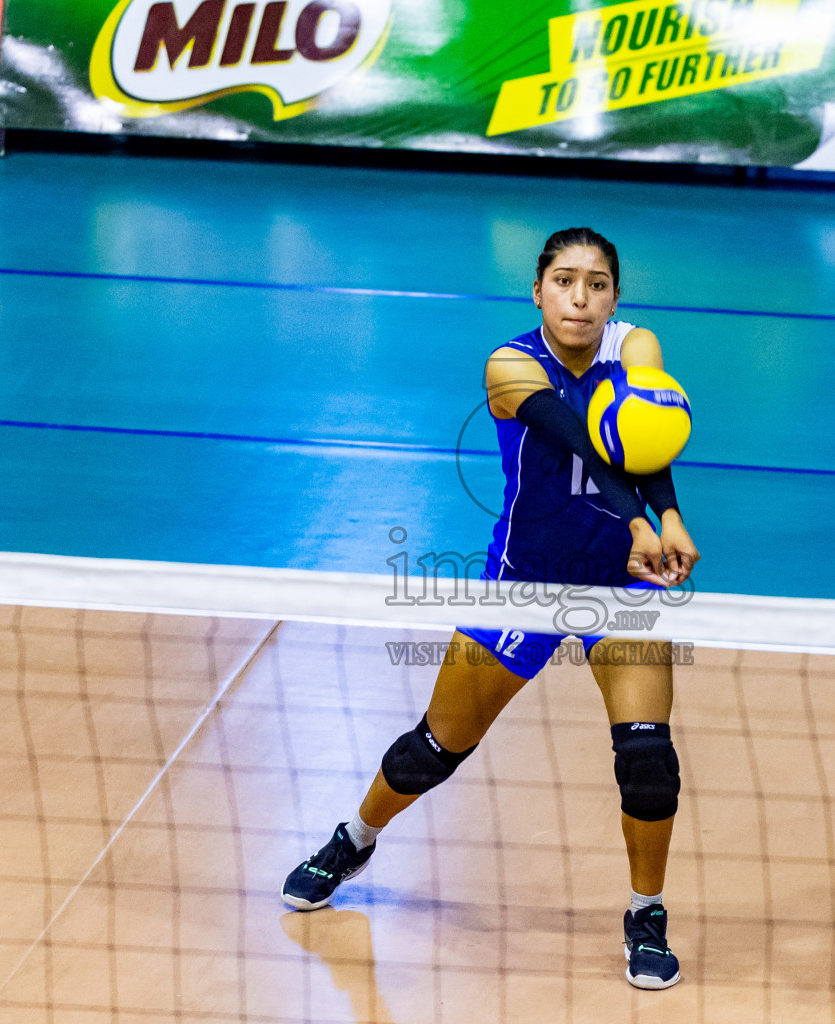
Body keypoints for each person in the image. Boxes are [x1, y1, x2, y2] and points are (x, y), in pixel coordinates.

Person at [281, 227, 700, 991]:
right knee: (433, 750)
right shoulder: (510, 365)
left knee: (648, 763)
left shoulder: (636, 346)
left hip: (622, 584)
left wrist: (666, 516)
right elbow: (580, 444)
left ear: (615, 296)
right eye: (565, 281)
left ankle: (647, 911)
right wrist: (640, 520)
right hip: (525, 584)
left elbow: (644, 430)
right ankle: (356, 834)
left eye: (598, 283)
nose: (581, 297)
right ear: (536, 291)